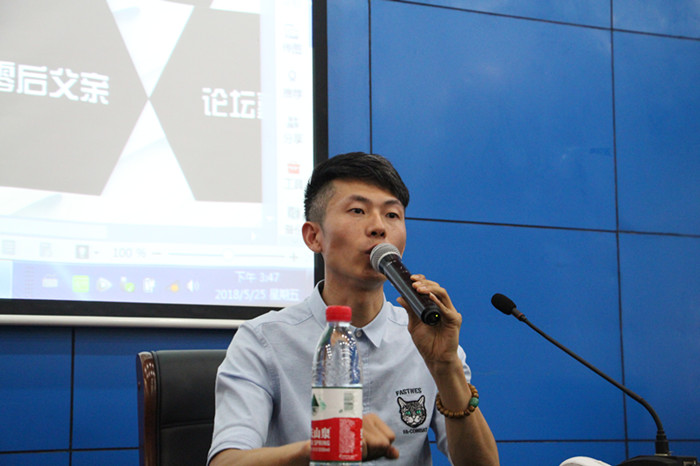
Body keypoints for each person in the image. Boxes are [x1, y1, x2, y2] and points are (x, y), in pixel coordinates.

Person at [208, 152, 499, 465]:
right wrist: (322, 447)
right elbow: (226, 462)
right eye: (358, 211)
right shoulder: (263, 340)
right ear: (314, 236)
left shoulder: (426, 335)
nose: (378, 227)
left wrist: (445, 365)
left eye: (392, 215)